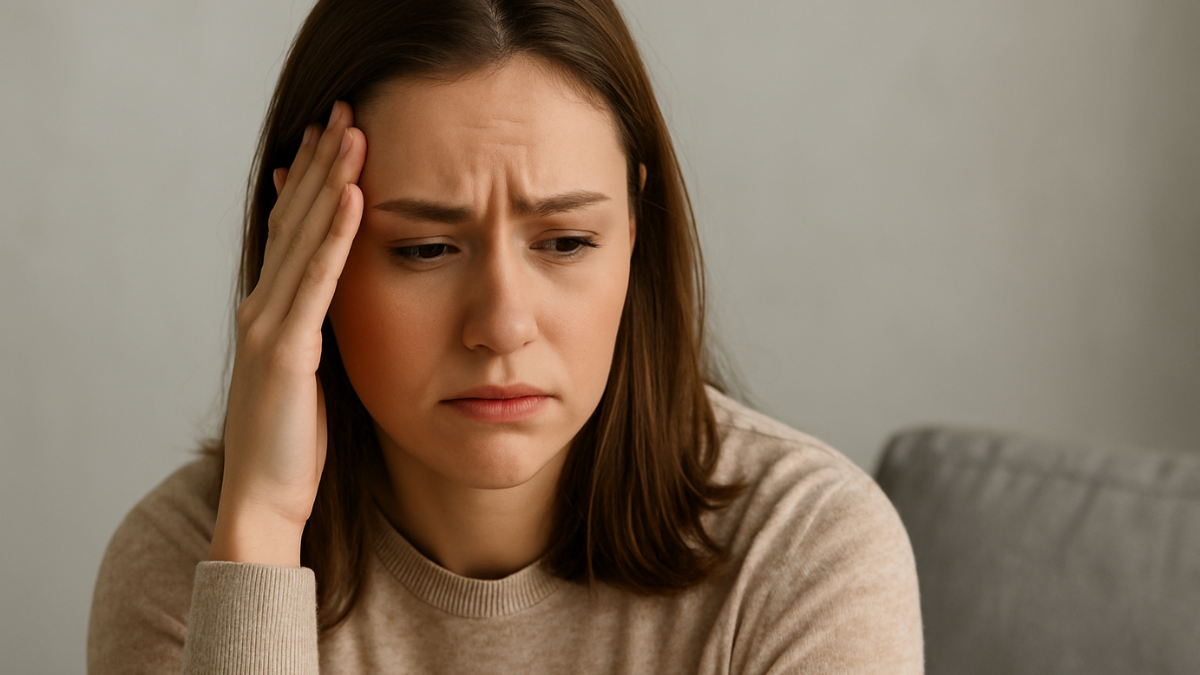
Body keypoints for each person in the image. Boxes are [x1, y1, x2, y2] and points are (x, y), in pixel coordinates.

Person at [88, 0, 923, 672]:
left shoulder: (809, 553)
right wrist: (263, 530)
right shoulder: (187, 568)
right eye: (424, 249)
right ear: (306, 257)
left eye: (564, 242)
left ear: (635, 230)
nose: (502, 327)